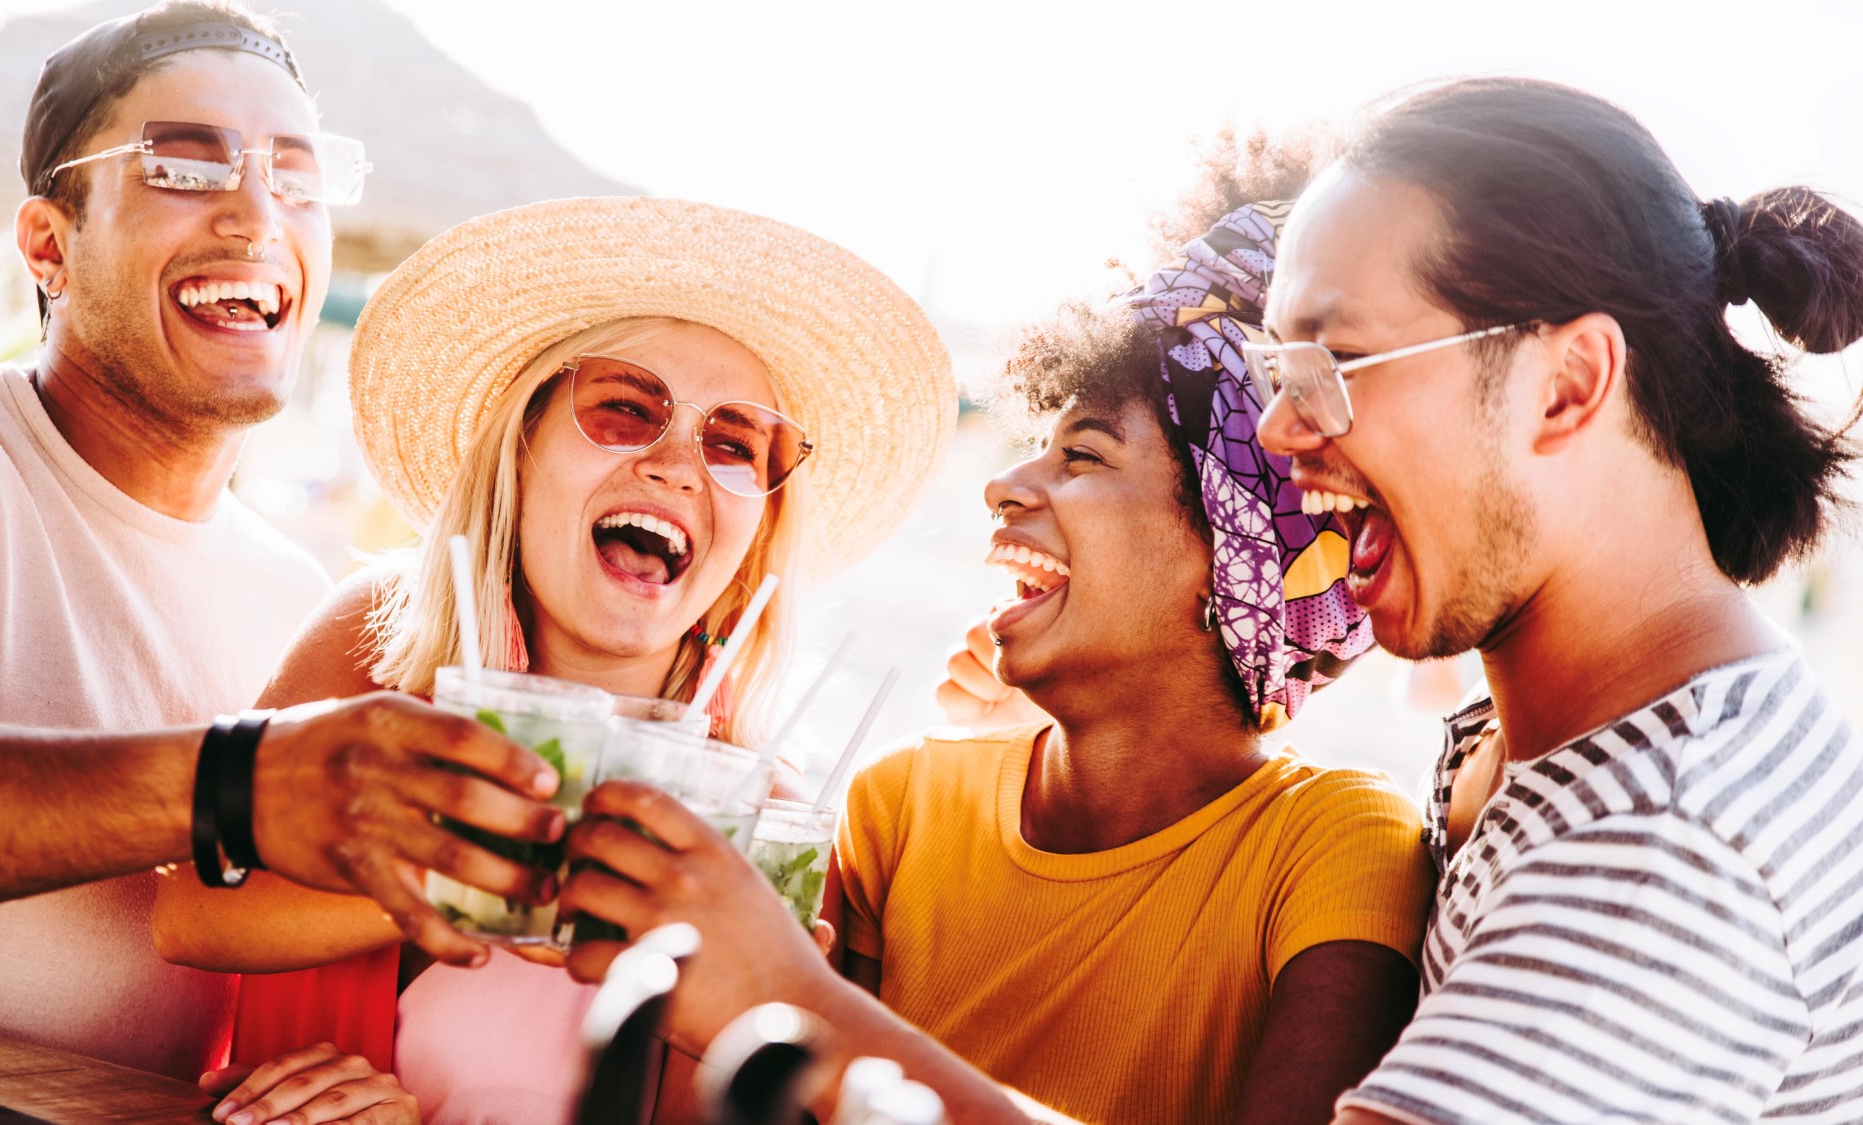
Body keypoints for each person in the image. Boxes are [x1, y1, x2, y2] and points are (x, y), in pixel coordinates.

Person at [561, 196, 1436, 1124]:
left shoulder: (1337, 847)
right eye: (1037, 447)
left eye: (1084, 456)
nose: (1004, 485)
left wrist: (806, 1006)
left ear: (1236, 558)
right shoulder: (899, 806)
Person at [0, 0, 565, 1085]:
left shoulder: (295, 595)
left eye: (297, 175)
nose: (255, 217)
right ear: (50, 243)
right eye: (184, 166)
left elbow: (247, 975)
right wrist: (234, 783)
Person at [152, 196, 957, 1125]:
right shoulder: (381, 637)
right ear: (522, 445)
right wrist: (520, 869)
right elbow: (193, 915)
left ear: (760, 527)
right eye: (624, 408)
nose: (676, 464)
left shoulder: (757, 821)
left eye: (735, 442)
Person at [1246, 78, 1863, 1124]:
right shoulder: (1547, 718)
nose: (1275, 427)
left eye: (1335, 361)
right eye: (1278, 367)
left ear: (1568, 385)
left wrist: (860, 1053)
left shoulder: (1665, 849)